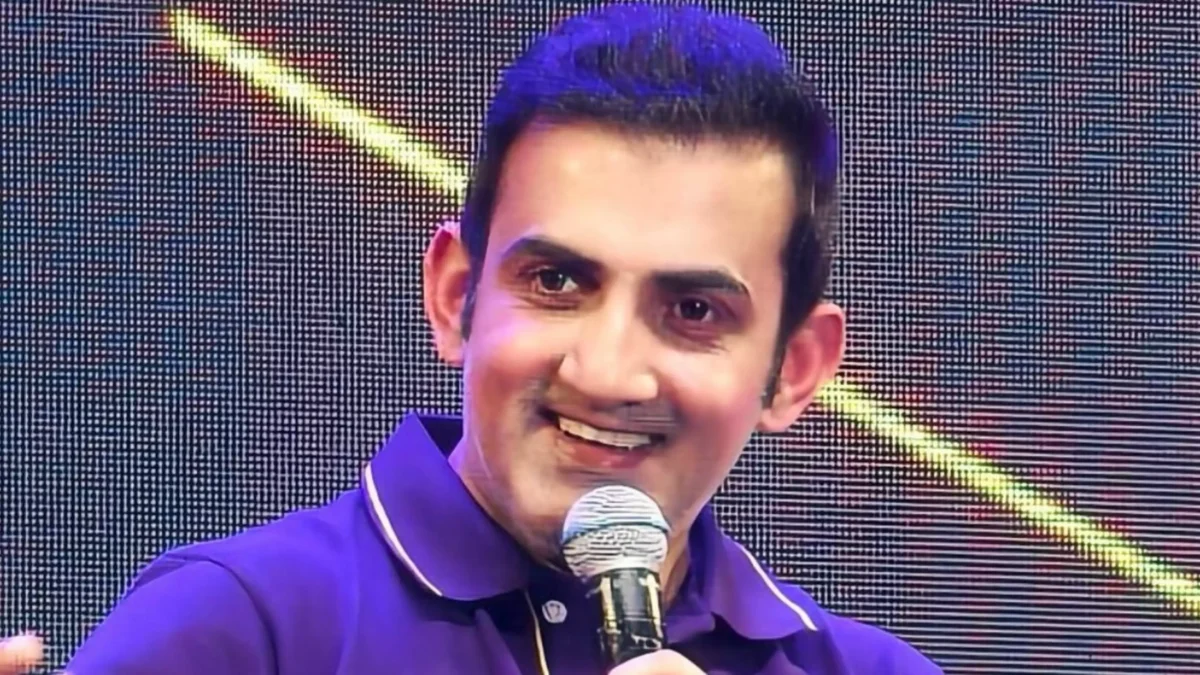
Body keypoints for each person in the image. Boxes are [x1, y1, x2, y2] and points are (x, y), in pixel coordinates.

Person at [2, 3, 944, 673]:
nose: (607, 370)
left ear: (794, 369)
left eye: (694, 311)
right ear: (457, 296)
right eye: (557, 282)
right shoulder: (245, 627)